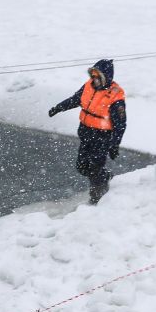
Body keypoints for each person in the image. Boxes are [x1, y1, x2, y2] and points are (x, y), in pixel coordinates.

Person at [48, 59, 127, 204]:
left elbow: (120, 124)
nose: (94, 79)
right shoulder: (88, 86)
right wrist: (58, 108)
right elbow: (75, 100)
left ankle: (96, 198)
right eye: (93, 75)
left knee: (95, 168)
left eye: (98, 76)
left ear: (106, 77)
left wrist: (115, 144)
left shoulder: (115, 96)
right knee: (82, 167)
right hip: (86, 133)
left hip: (102, 137)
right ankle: (105, 176)